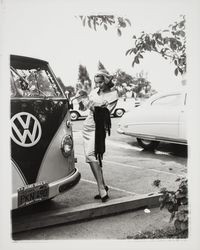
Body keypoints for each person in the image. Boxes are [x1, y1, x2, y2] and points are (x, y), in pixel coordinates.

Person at [77, 70, 118, 202]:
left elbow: (104, 114)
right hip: (87, 127)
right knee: (91, 158)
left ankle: (101, 187)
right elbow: (84, 109)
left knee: (91, 155)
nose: (98, 85)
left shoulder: (113, 94)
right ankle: (103, 186)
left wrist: (87, 101)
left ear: (106, 81)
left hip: (98, 128)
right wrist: (81, 100)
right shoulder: (94, 92)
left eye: (100, 82)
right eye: (96, 82)